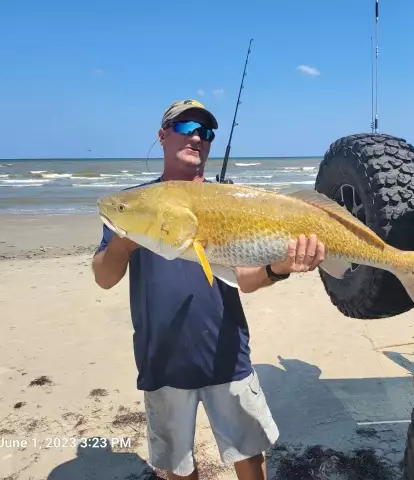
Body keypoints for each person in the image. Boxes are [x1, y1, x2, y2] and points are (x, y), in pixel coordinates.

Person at [91, 99, 326, 480]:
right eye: (186, 127)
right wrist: (125, 240)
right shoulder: (136, 205)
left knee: (248, 455)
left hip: (226, 352)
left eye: (206, 132)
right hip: (161, 358)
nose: (197, 137)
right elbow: (104, 277)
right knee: (177, 465)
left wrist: (280, 267)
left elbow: (246, 279)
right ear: (163, 135)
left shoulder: (228, 202)